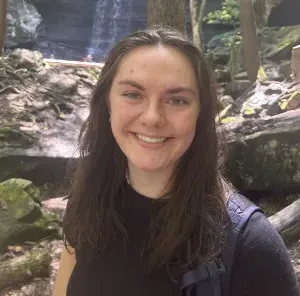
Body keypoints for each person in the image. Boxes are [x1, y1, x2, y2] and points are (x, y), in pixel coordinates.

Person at [53, 26, 300, 296]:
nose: (152, 117)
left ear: (200, 115)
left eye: (177, 100)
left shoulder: (251, 246)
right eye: (133, 94)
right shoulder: (88, 195)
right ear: (107, 104)